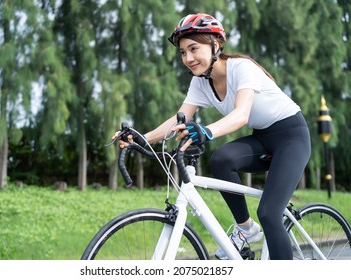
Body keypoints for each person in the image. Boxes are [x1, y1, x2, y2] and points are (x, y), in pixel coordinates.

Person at [113, 13, 311, 260]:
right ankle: (246, 228)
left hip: (292, 136)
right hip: (263, 136)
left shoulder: (242, 68)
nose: (188, 58)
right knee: (221, 159)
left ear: (215, 45)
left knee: (270, 213)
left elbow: (241, 115)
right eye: (183, 52)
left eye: (193, 48)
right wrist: (143, 138)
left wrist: (205, 131)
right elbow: (179, 118)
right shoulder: (200, 82)